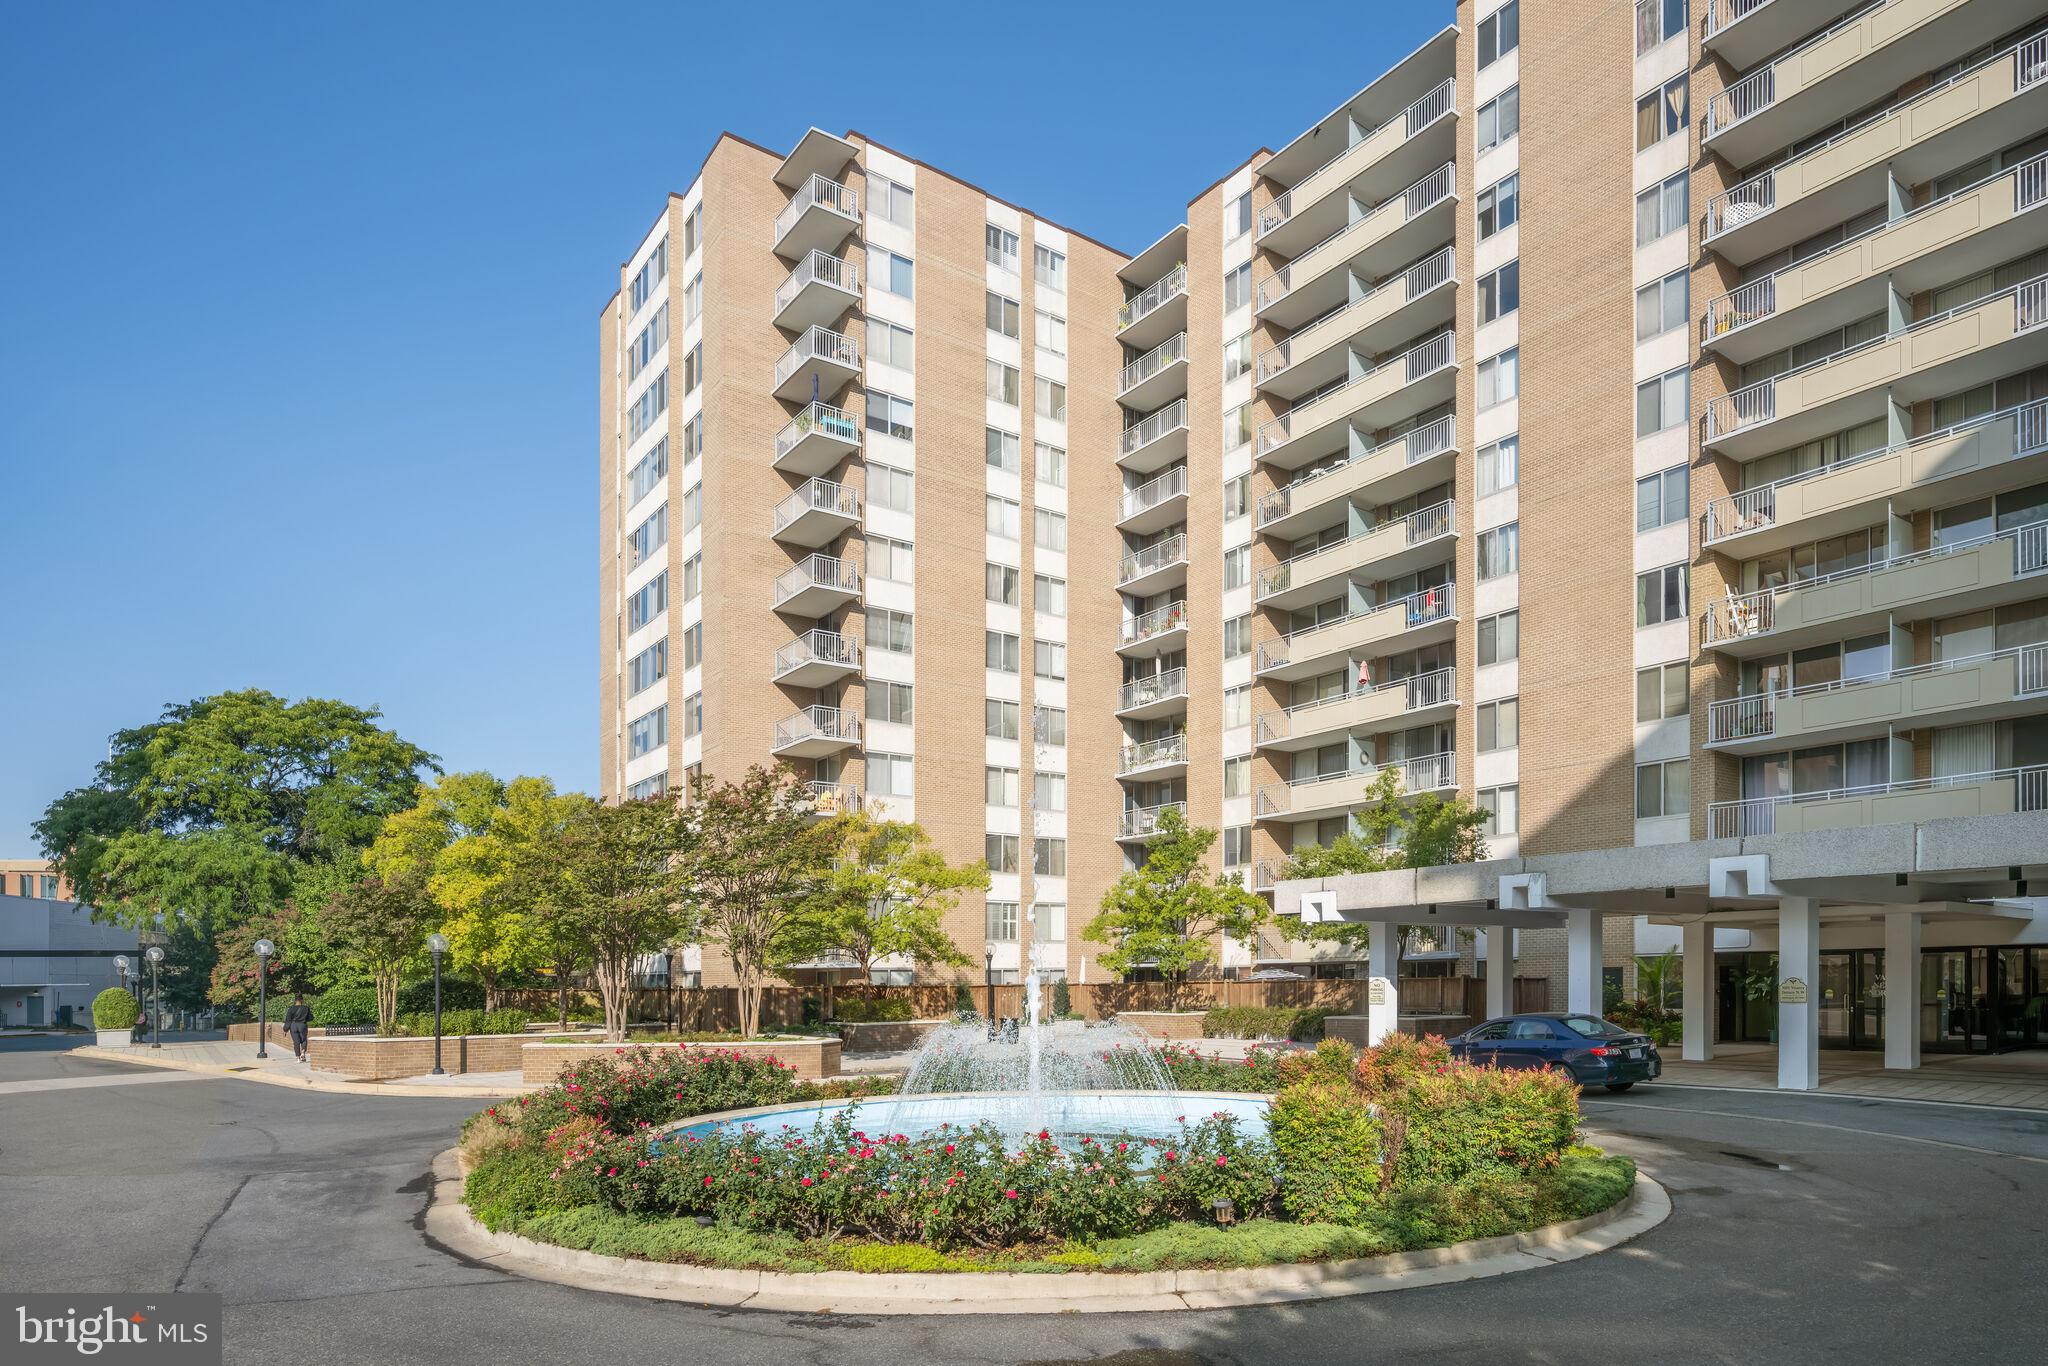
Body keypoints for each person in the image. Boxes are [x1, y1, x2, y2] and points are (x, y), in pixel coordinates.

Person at [282, 993, 313, 1062]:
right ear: (302, 1000)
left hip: (293, 1026)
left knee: (296, 1042)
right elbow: (310, 1018)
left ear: (295, 1000)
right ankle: (303, 1053)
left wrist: (285, 1030)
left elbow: (288, 1020)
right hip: (302, 1025)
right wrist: (304, 1019)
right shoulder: (306, 1008)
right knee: (304, 1040)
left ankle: (298, 1057)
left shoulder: (291, 1008)